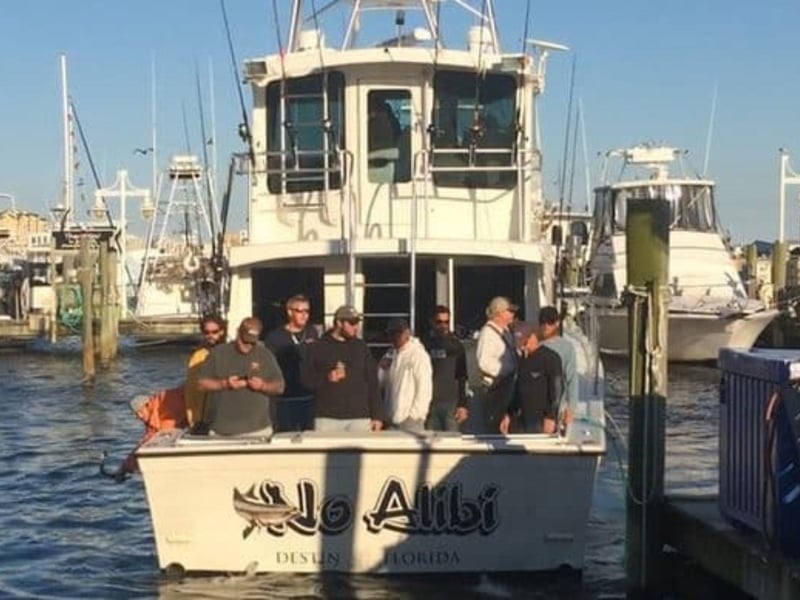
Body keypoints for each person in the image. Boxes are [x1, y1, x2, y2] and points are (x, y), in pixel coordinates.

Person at [197, 317, 285, 436]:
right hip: (221, 431)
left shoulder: (265, 354)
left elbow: (279, 387)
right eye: (245, 341)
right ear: (238, 333)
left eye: (252, 342)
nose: (247, 346)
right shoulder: (217, 353)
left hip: (258, 430)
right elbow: (201, 384)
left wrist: (263, 386)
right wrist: (225, 384)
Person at [302, 305, 383, 432]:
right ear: (339, 323)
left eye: (357, 323)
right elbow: (306, 380)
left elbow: (372, 382)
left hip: (359, 417)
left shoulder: (361, 347)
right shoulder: (318, 347)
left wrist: (377, 415)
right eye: (351, 323)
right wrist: (327, 377)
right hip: (327, 417)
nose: (356, 327)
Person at [265, 294, 319, 431]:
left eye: (307, 311)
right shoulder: (275, 337)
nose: (304, 315)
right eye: (300, 311)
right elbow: (269, 366)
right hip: (284, 399)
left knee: (308, 438)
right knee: (285, 437)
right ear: (290, 312)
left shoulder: (312, 333)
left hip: (308, 397)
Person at [500, 322, 563, 435]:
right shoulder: (520, 360)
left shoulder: (550, 358)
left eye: (525, 342)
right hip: (519, 421)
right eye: (519, 343)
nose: (522, 346)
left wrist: (551, 416)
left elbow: (556, 389)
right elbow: (515, 390)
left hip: (540, 421)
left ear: (533, 336)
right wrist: (508, 414)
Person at [378, 318, 433, 433]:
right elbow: (380, 384)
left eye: (398, 333)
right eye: (391, 333)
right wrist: (381, 369)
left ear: (407, 333)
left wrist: (414, 416)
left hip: (410, 422)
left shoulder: (418, 355)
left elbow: (424, 388)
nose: (395, 336)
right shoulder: (389, 354)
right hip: (391, 421)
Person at [475, 296, 518, 433]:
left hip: (506, 387)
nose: (512, 314)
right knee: (494, 427)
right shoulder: (488, 333)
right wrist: (507, 369)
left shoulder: (506, 332)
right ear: (498, 313)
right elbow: (483, 362)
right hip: (494, 388)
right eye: (509, 311)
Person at [423, 305, 469, 431]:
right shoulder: (424, 345)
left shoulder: (456, 345)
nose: (443, 325)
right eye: (439, 322)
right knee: (430, 440)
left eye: (446, 322)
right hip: (429, 403)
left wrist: (463, 405)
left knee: (452, 440)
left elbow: (462, 376)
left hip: (451, 404)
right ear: (432, 322)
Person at [184, 314, 227, 429]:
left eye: (214, 332)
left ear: (222, 331)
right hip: (203, 418)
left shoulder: (230, 352)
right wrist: (194, 419)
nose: (210, 336)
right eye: (206, 332)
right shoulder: (198, 356)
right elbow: (192, 390)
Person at [538, 305, 578, 427]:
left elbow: (571, 379)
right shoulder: (534, 345)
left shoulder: (567, 348)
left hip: (556, 410)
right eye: (542, 322)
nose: (546, 326)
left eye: (550, 322)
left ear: (557, 323)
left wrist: (571, 408)